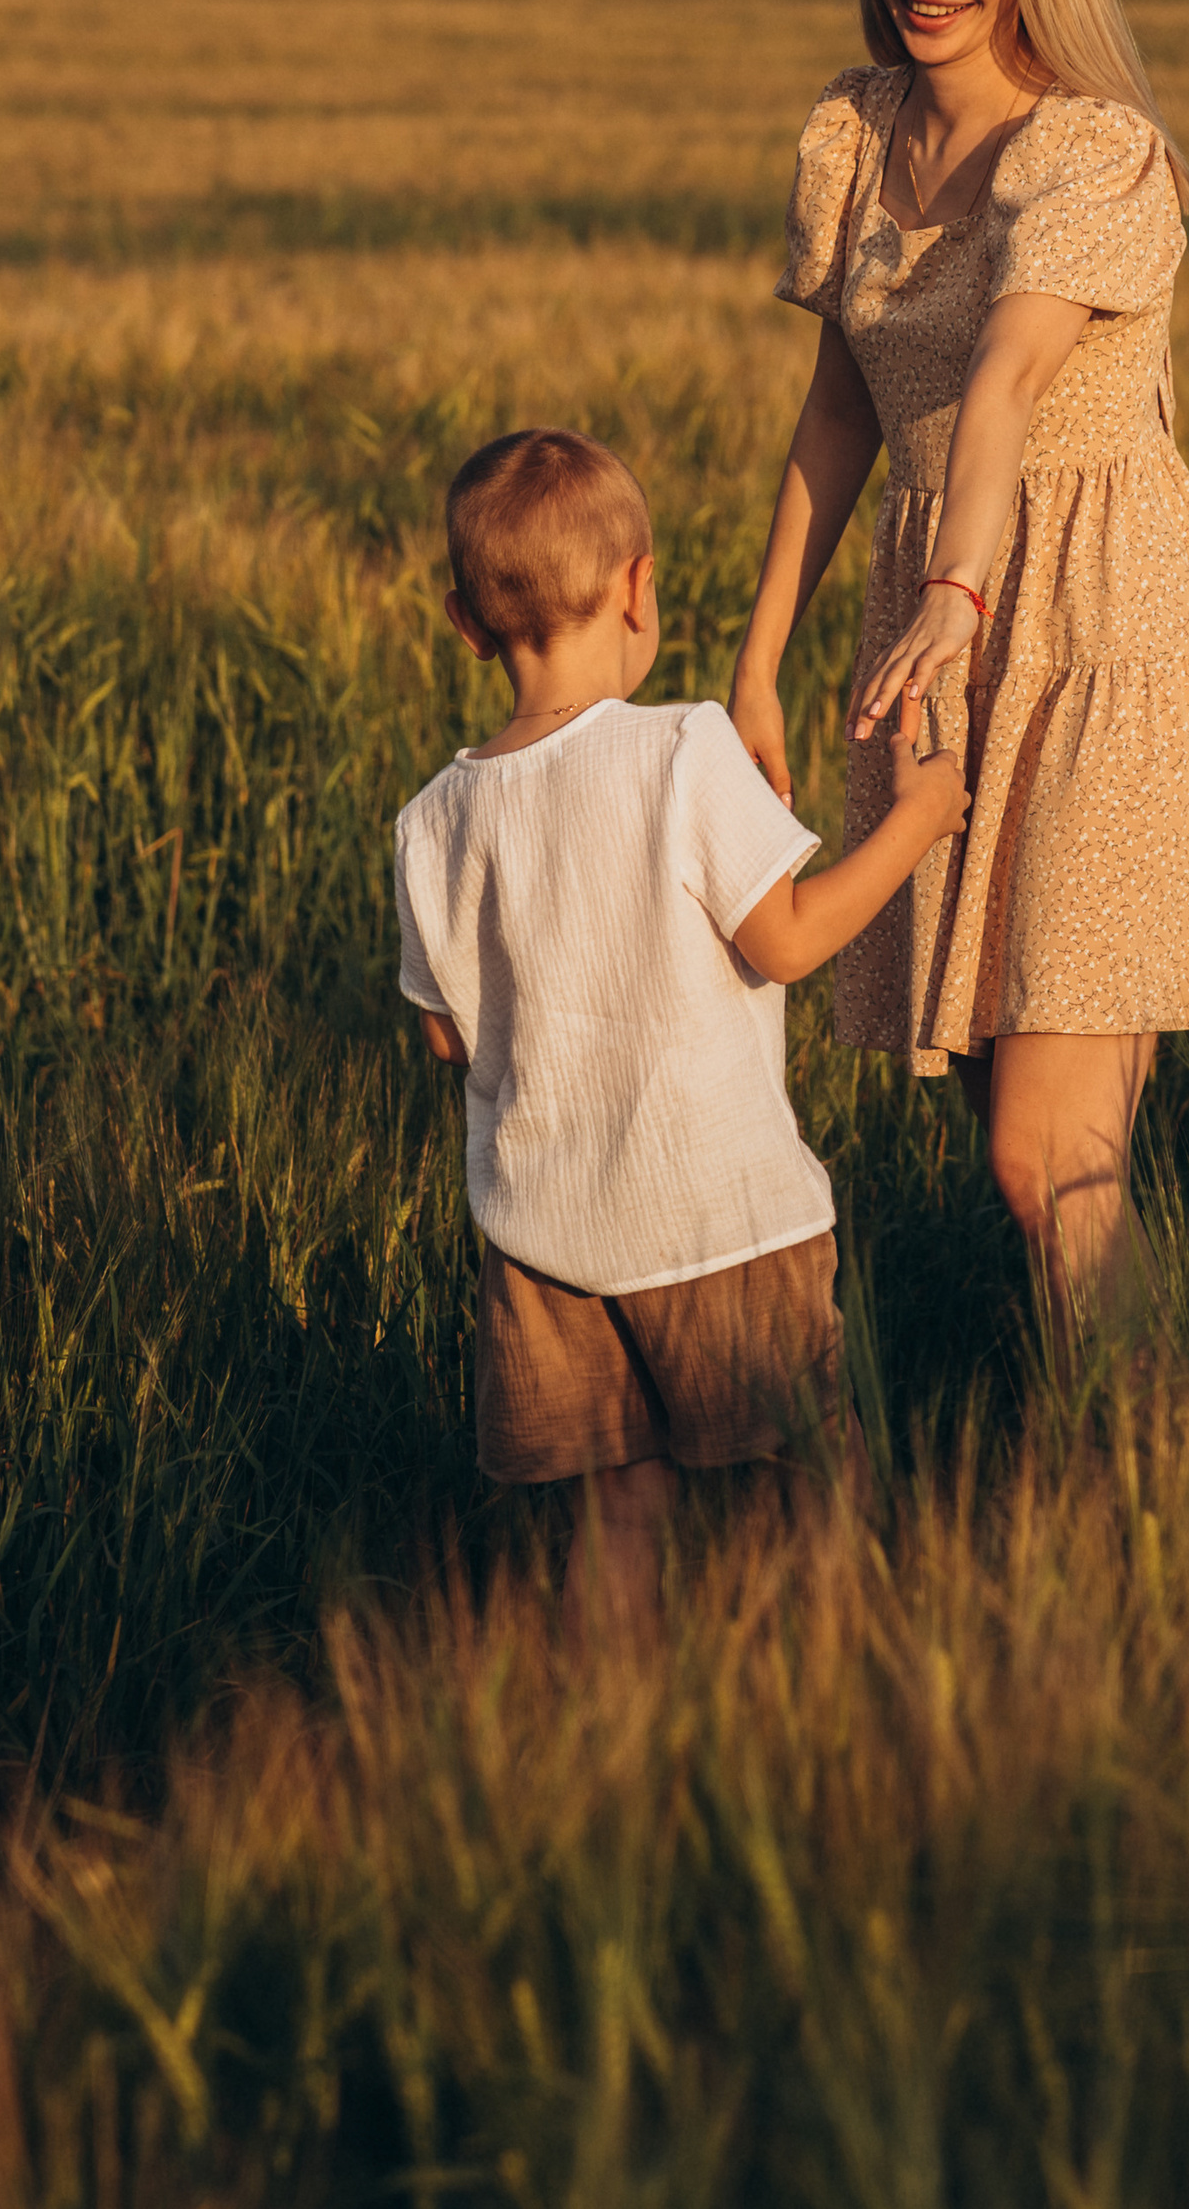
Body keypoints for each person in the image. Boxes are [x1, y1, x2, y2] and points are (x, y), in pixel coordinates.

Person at [729, 0, 1189, 1344]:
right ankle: (1144, 1452)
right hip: (943, 639)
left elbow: (1000, 380)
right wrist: (759, 659)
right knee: (1042, 1145)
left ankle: (1153, 1476)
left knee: (1043, 1149)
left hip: (1099, 632)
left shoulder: (1094, 155)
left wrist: (956, 592)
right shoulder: (854, 137)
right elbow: (840, 413)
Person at [394, 424, 968, 1624]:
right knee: (817, 1477)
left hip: (543, 1243)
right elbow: (791, 941)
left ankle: (615, 1731)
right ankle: (835, 1686)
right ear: (638, 588)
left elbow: (447, 1036)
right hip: (721, 1217)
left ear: (464, 620)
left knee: (618, 1513)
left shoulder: (431, 820)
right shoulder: (682, 747)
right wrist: (918, 820)